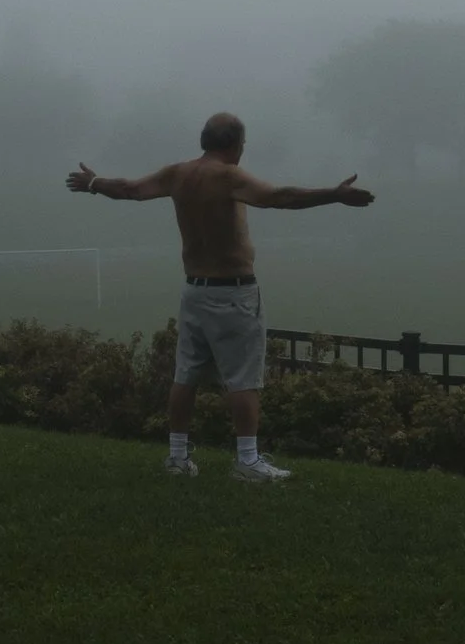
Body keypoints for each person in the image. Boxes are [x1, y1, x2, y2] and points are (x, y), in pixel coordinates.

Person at [67, 112, 373, 480]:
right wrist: (335, 195)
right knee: (244, 378)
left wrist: (94, 182)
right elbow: (280, 197)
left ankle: (177, 458)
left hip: (194, 290)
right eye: (243, 144)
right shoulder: (229, 177)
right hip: (234, 294)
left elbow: (131, 189)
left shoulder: (178, 174)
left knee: (186, 375)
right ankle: (247, 462)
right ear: (234, 144)